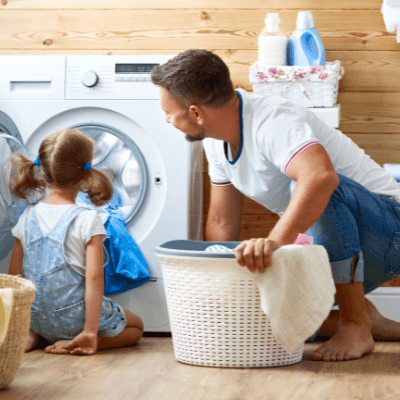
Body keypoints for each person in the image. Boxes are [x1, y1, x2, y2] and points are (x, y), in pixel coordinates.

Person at [151, 49, 400, 362]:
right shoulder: (216, 141)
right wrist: (224, 281)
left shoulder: (272, 120)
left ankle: (355, 323)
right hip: (338, 243)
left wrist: (273, 243)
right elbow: (221, 220)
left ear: (196, 113)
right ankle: (368, 318)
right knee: (264, 315)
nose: (167, 120)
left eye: (169, 113)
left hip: (388, 233)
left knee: (309, 184)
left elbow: (321, 178)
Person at [8, 128, 144, 355]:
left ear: (42, 171)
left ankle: (33, 334)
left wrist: (19, 324)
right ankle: (85, 339)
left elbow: (14, 279)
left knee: (42, 306)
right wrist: (90, 330)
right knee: (136, 327)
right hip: (74, 320)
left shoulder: (26, 216)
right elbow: (94, 278)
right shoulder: (87, 218)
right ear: (86, 174)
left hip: (36, 316)